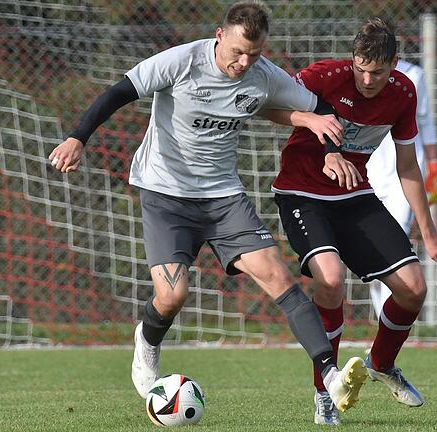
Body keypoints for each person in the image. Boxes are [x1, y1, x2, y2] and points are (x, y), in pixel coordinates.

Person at [49, 0, 368, 413]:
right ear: (220, 35)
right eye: (237, 51)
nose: (243, 62)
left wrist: (326, 145)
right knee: (173, 295)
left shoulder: (263, 74)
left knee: (278, 277)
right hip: (166, 194)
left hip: (223, 198)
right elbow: (119, 92)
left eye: (253, 54)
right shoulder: (182, 62)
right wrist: (78, 138)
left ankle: (330, 376)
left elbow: (318, 109)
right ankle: (146, 342)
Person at [262, 17, 437, 425]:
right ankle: (325, 392)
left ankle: (381, 364)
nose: (368, 80)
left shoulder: (403, 92)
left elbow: (408, 165)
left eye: (378, 72)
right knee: (330, 281)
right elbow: (268, 104)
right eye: (361, 69)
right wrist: (313, 124)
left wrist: (431, 232)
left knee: (413, 289)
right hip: (302, 194)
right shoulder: (325, 77)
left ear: (395, 66)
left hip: (355, 195)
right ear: (352, 59)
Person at [365, 59, 437, 318]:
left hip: (404, 175)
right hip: (369, 172)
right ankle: (382, 326)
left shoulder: (414, 76)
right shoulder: (362, 77)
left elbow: (426, 123)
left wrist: (434, 169)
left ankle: (387, 332)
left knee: (392, 246)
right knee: (371, 253)